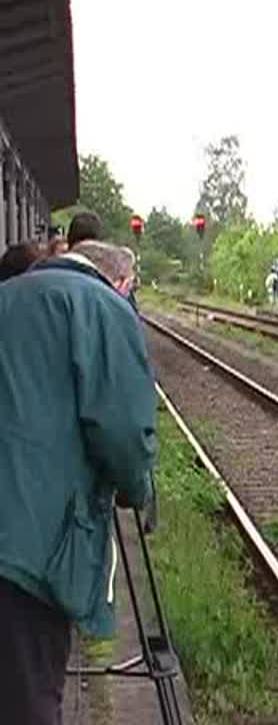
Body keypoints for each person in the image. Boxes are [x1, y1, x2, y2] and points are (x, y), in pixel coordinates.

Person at [0, 239, 155, 725]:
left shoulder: (8, 296)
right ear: (122, 281)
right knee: (31, 694)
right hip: (32, 547)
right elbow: (124, 430)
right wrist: (139, 488)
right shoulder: (103, 306)